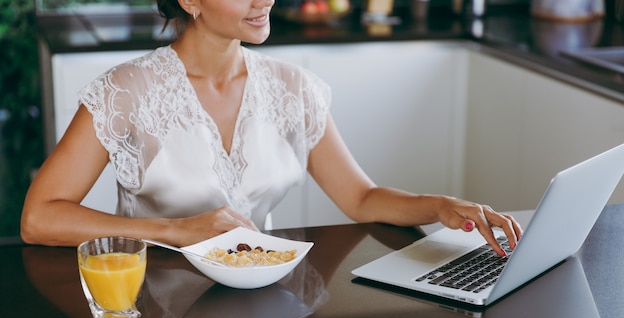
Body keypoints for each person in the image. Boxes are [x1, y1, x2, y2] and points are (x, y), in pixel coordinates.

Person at [21, 0, 522, 256]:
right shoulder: (125, 90)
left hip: (256, 289)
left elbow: (360, 198)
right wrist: (175, 231)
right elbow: (39, 218)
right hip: (151, 305)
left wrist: (439, 205)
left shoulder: (293, 88)